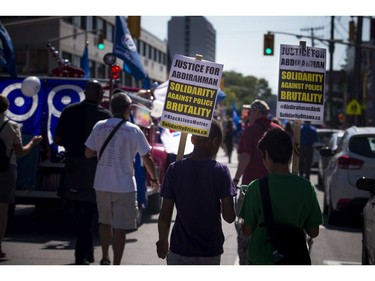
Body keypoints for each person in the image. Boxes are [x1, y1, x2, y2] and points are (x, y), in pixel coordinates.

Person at [84, 91, 160, 265]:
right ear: (128, 110)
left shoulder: (99, 126)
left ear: (111, 108)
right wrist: (154, 180)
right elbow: (146, 157)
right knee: (120, 227)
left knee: (104, 222)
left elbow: (88, 152)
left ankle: (104, 257)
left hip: (102, 183)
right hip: (125, 186)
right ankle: (116, 264)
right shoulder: (133, 130)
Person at [156, 119, 237, 265]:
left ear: (192, 139)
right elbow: (229, 217)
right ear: (216, 142)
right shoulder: (221, 171)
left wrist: (162, 240)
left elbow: (165, 214)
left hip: (179, 249)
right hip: (209, 250)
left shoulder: (175, 169)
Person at [239, 128, 323, 265]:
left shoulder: (256, 187)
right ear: (290, 154)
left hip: (261, 259)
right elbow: (313, 232)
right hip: (293, 259)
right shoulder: (306, 188)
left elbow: (246, 230)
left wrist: (242, 210)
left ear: (266, 155)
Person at [54, 79, 112, 265]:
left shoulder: (69, 111)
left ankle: (85, 252)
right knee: (90, 212)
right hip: (94, 167)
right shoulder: (105, 116)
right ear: (100, 95)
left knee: (79, 212)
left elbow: (57, 139)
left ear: (85, 93)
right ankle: (84, 253)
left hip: (72, 166)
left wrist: (73, 146)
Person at [232, 99, 283, 265]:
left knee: (244, 231)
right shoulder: (279, 131)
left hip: (251, 189)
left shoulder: (251, 131)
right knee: (271, 230)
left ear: (256, 113)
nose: (248, 116)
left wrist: (236, 178)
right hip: (276, 189)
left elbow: (245, 157)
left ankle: (245, 263)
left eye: (250, 112)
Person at [0, 94, 42, 259]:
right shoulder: (12, 126)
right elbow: (20, 152)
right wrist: (33, 142)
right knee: (2, 210)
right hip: (6, 169)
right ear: (6, 107)